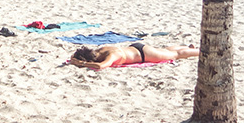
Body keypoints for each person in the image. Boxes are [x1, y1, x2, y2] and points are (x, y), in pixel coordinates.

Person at [69, 42, 199, 70]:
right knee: (164, 50)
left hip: (143, 54)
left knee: (175, 55)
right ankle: (188, 48)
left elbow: (101, 66)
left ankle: (200, 51)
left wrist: (81, 64)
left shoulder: (112, 55)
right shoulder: (101, 49)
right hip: (137, 48)